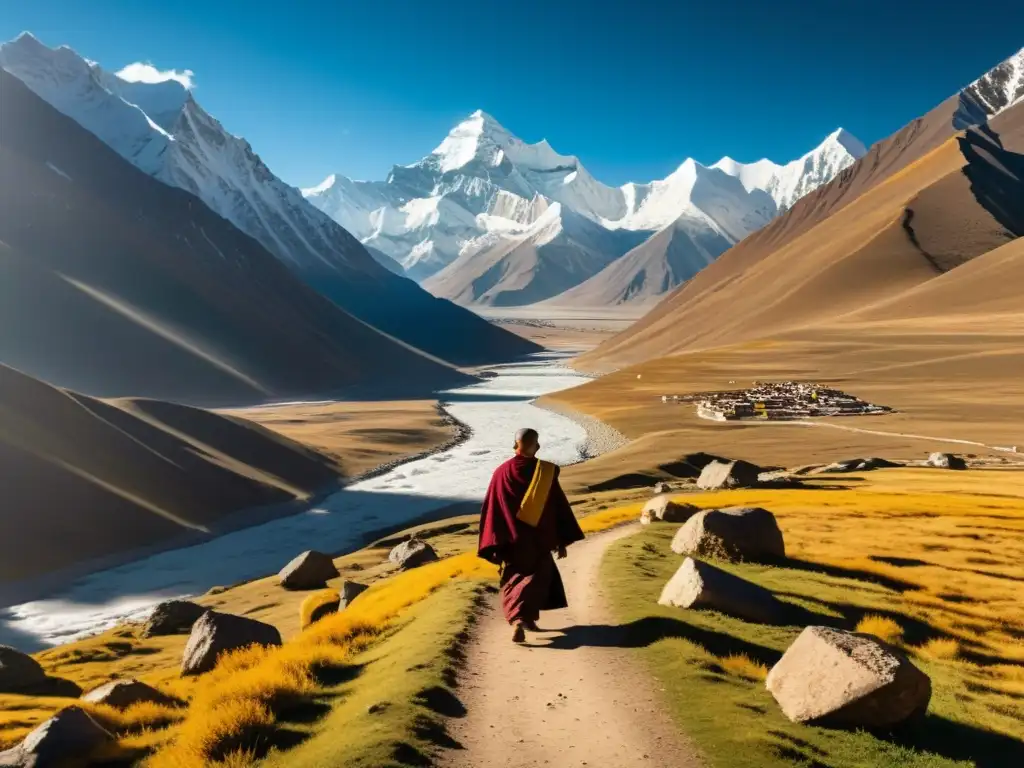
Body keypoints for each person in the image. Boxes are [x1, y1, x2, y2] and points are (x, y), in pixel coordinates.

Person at [477, 427, 585, 643]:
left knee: (514, 579)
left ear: (514, 444)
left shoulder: (500, 472)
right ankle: (521, 620)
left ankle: (524, 620)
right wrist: (561, 540)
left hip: (512, 540)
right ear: (536, 445)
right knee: (537, 580)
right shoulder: (545, 472)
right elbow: (557, 506)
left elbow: (492, 509)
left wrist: (496, 542)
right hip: (539, 539)